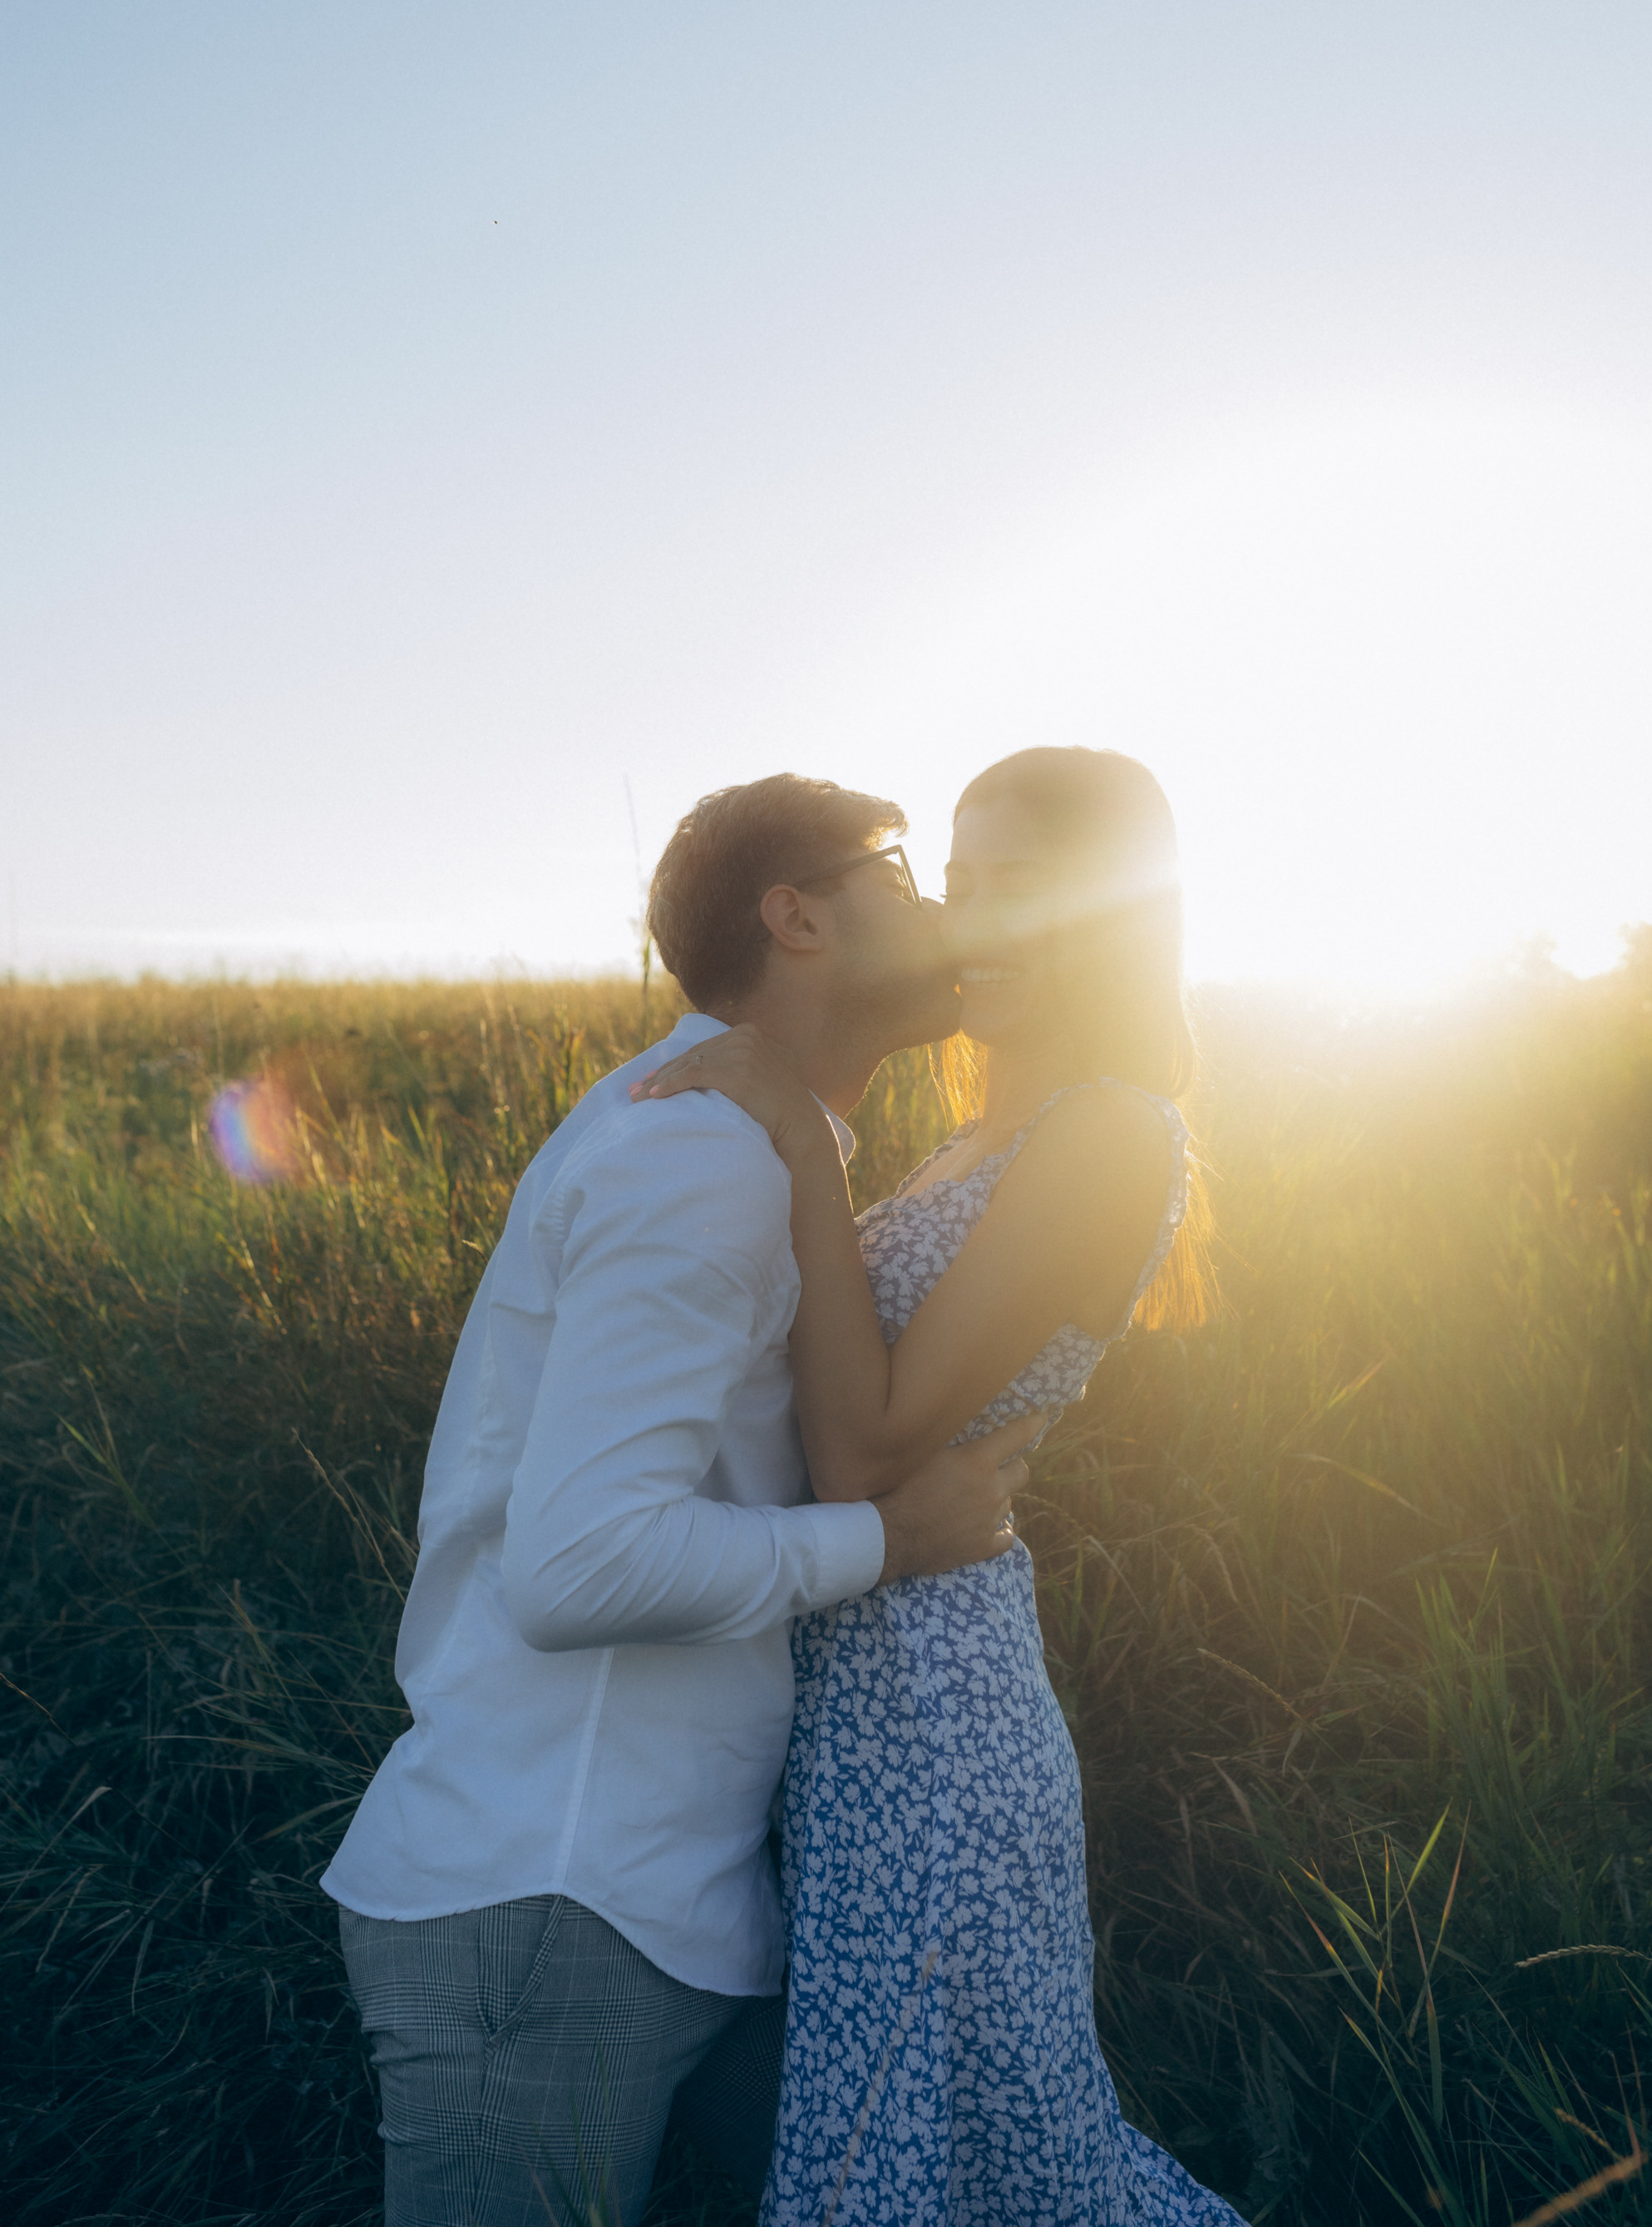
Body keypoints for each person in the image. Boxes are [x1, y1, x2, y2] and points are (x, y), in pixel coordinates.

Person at [322, 773, 1037, 2227]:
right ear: (797, 917)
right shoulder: (699, 1153)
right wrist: (893, 1540)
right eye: (903, 875)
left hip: (656, 1904)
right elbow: (583, 1564)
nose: (940, 911)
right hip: (550, 1903)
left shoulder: (739, 1144)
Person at [637, 746, 1246, 2227]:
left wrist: (797, 1136)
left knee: (950, 2158)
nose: (972, 924)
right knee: (936, 2154)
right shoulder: (979, 1134)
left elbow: (866, 1448)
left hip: (937, 1728)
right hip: (856, 1710)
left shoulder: (1109, 1129)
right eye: (958, 886)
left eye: (1019, 888)